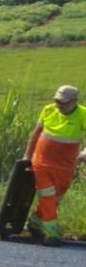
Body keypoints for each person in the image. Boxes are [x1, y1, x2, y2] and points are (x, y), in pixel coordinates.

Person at [23, 85, 86, 246]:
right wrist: (27, 156)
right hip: (42, 164)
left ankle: (34, 223)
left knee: (54, 199)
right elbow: (36, 134)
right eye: (58, 101)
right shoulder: (48, 110)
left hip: (65, 167)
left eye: (64, 102)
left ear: (75, 101)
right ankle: (54, 234)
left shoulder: (83, 114)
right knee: (47, 197)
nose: (60, 105)